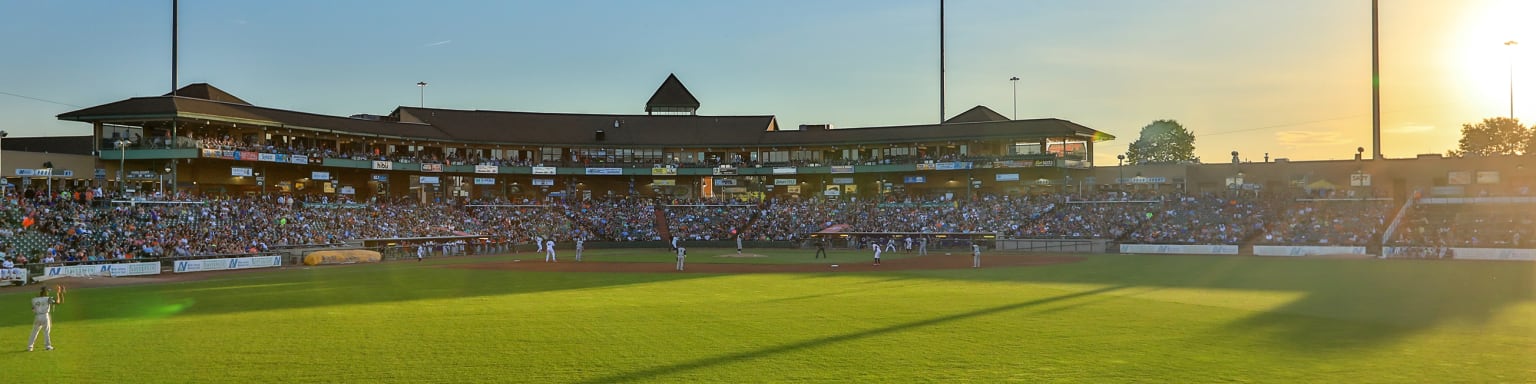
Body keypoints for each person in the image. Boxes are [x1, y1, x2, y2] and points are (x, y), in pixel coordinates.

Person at [28, 285, 63, 352]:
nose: (48, 292)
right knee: (46, 332)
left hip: (37, 316)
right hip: (45, 316)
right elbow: (57, 302)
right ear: (45, 292)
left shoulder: (34, 299)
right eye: (47, 291)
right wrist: (58, 293)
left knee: (34, 332)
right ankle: (48, 346)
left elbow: (33, 309)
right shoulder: (48, 298)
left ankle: (30, 347)